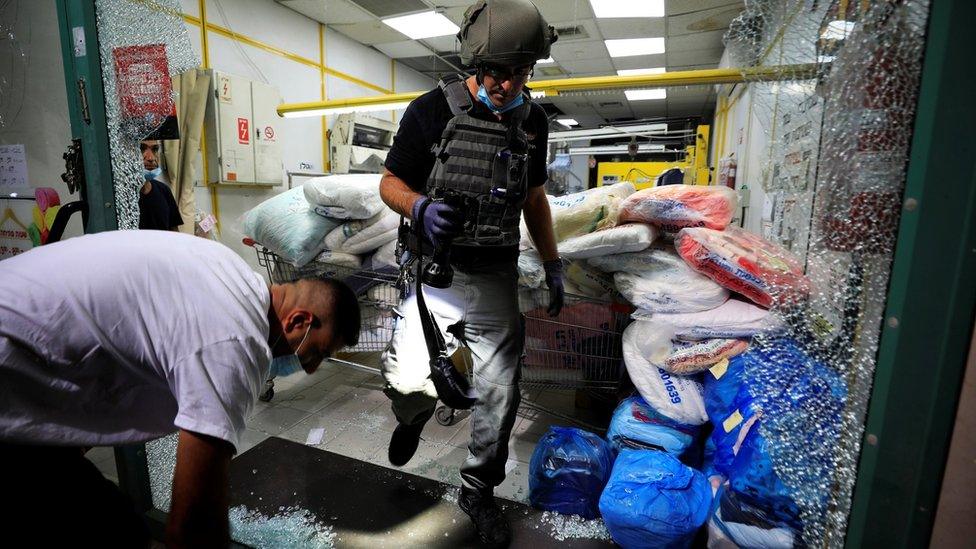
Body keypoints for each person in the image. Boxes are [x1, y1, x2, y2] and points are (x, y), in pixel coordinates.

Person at [0, 230, 360, 547]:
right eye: (317, 353)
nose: (311, 368)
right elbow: (192, 525)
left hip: (20, 356)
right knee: (114, 532)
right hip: (8, 364)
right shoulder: (236, 340)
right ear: (298, 320)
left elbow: (105, 354)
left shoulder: (228, 271)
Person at [379, 0, 561, 544]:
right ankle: (411, 414)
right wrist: (418, 209)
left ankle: (477, 488)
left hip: (494, 270)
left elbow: (534, 198)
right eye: (498, 72)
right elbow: (389, 182)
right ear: (477, 66)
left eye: (520, 73)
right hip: (433, 268)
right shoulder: (430, 111)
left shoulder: (532, 123)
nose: (507, 85)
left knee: (500, 390)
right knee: (410, 378)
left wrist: (552, 264)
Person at [139, 139, 184, 231]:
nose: (151, 158)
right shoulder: (116, 196)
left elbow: (174, 231)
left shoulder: (163, 190)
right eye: (142, 149)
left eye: (155, 149)